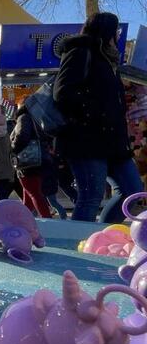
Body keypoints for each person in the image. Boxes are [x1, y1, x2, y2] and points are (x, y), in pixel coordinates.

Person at [54, 12, 141, 223]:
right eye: (117, 31)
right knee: (91, 196)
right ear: (107, 31)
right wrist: (97, 112)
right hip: (86, 139)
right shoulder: (81, 51)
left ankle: (103, 235)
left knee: (132, 191)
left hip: (113, 141)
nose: (118, 36)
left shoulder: (109, 60)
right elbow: (62, 92)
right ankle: (75, 248)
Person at [10, 105, 53, 218]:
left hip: (28, 161)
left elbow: (22, 136)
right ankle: (21, 221)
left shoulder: (24, 117)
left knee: (34, 194)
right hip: (41, 159)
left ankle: (47, 220)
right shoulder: (39, 118)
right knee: (29, 195)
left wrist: (12, 150)